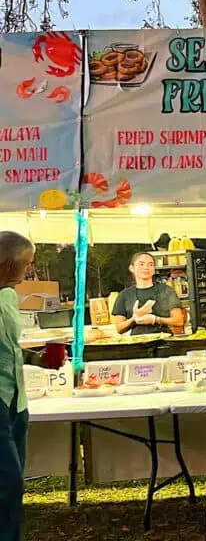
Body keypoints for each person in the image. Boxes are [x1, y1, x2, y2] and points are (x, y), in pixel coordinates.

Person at [0, 231, 34, 540]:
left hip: (16, 400)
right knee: (7, 481)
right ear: (5, 263)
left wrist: (37, 358)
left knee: (13, 483)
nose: (27, 272)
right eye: (25, 265)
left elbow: (10, 348)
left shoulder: (9, 295)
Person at [111, 252, 185, 336]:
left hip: (164, 342)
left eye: (150, 265)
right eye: (141, 264)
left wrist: (156, 319)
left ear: (154, 269)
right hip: (137, 343)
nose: (146, 268)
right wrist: (134, 319)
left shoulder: (166, 290)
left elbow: (179, 321)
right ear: (132, 268)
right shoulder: (124, 295)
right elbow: (119, 328)